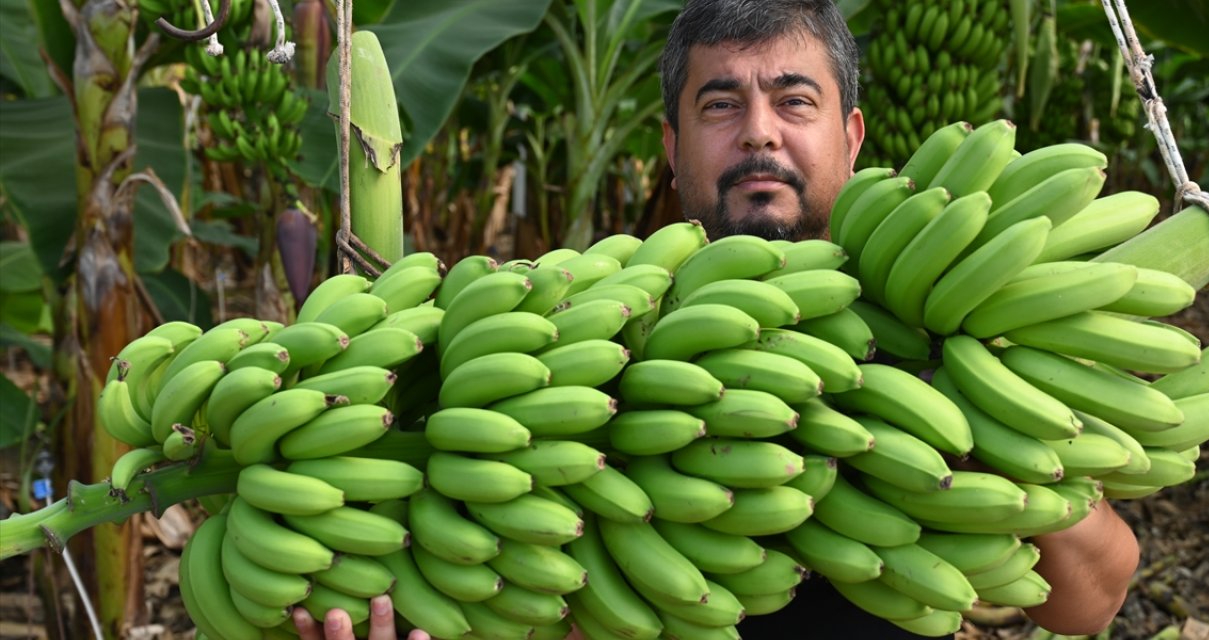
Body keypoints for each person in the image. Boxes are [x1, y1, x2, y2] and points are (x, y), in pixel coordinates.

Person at [299, 1, 1140, 638]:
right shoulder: (580, 326)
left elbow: (1091, 600)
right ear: (670, 145)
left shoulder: (947, 333)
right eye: (720, 105)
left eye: (794, 100)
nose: (758, 134)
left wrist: (982, 425)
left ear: (852, 138)